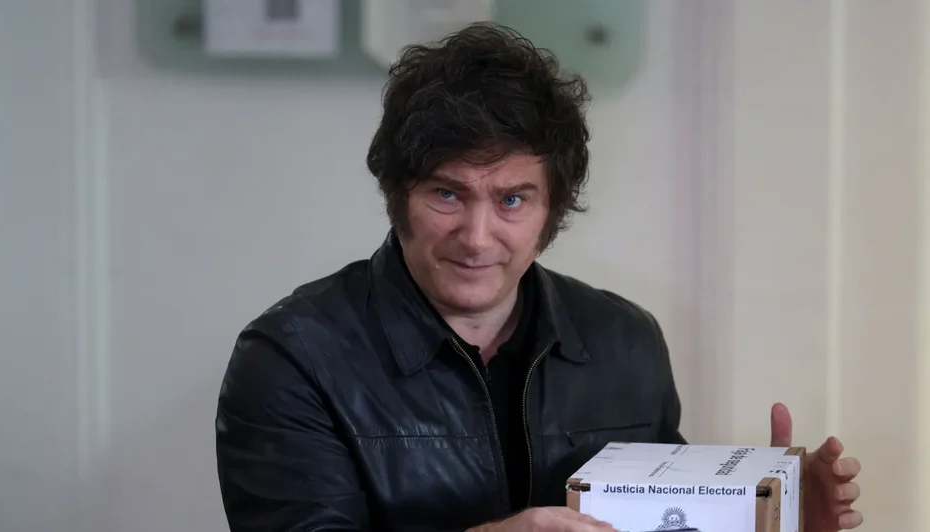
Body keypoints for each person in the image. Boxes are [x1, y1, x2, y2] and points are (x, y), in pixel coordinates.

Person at [214, 22, 863, 532]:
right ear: (399, 194)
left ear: (552, 210)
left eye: (512, 200)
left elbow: (661, 521)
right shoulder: (292, 357)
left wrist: (768, 515)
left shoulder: (624, 340)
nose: (477, 236)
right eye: (447, 193)